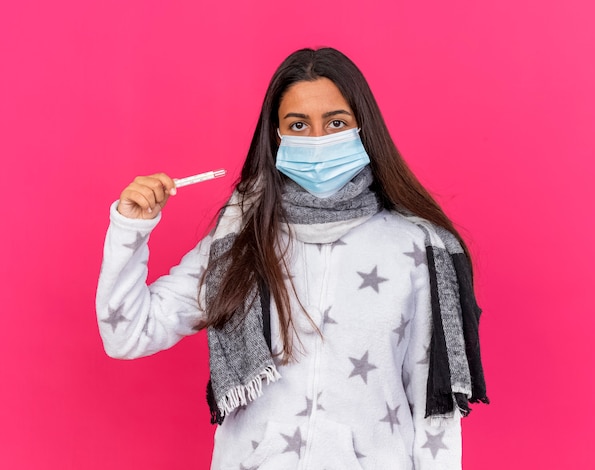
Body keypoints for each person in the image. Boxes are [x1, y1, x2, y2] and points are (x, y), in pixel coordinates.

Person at [96, 47, 488, 470]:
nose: (317, 139)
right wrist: (131, 230)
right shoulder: (239, 238)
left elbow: (434, 413)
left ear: (363, 128)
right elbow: (128, 334)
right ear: (276, 135)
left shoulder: (416, 247)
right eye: (297, 125)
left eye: (335, 122)